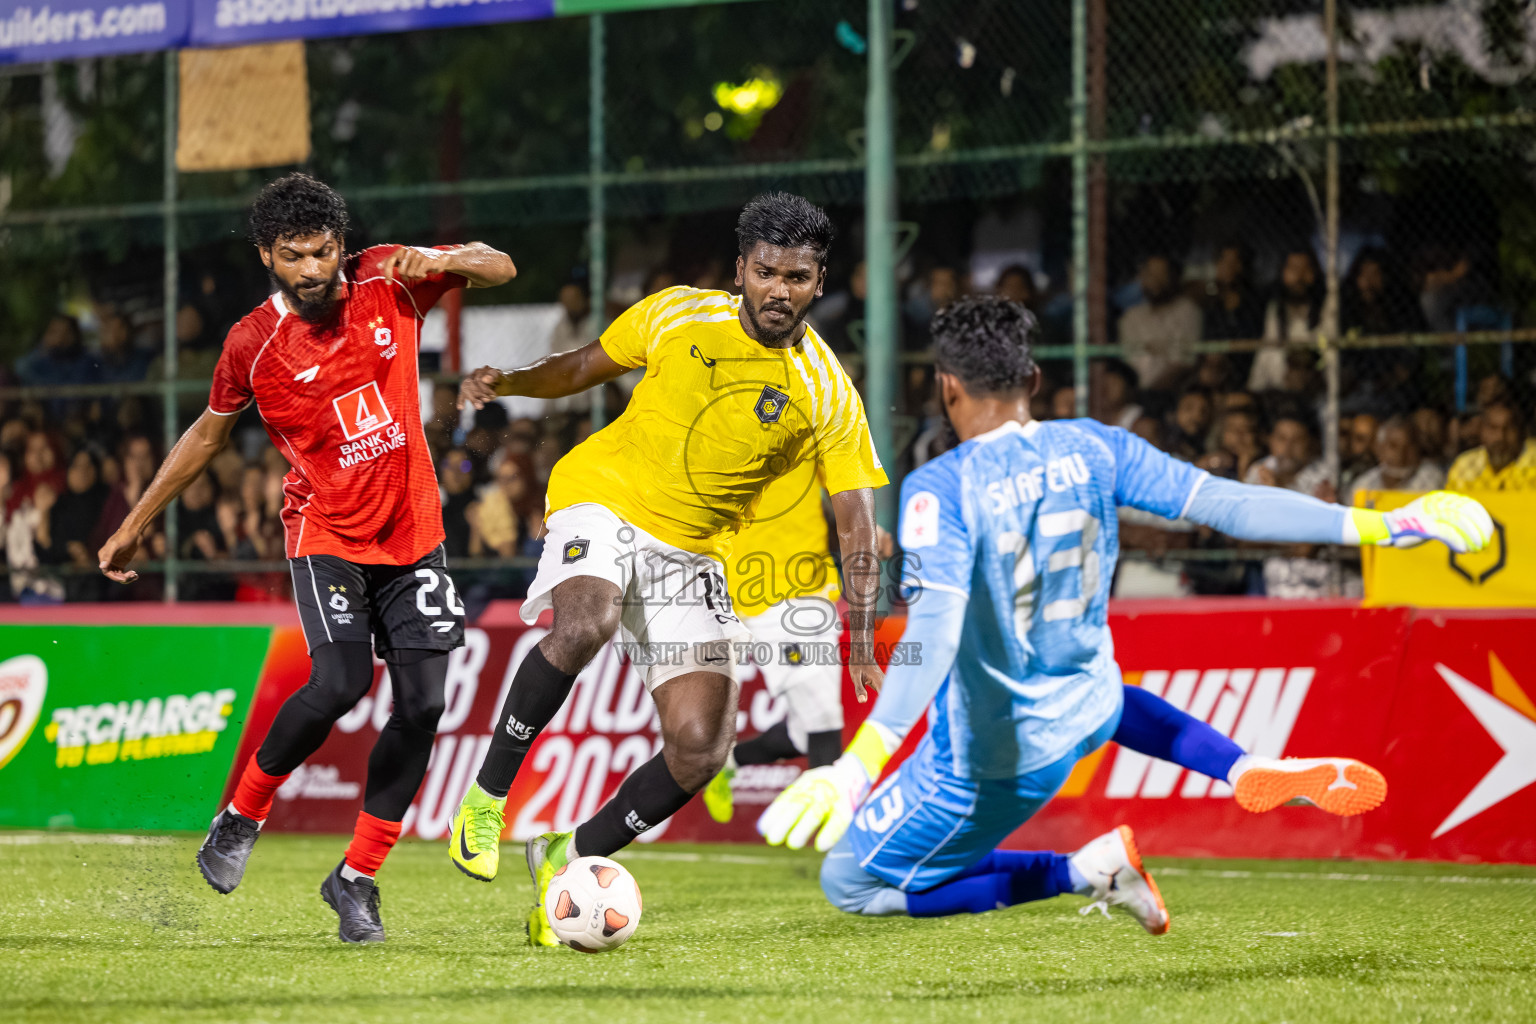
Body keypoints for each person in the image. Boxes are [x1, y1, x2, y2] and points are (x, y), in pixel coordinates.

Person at [757, 296, 1493, 926]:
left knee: (851, 883)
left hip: (993, 759)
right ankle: (1238, 768)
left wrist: (858, 765)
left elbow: (939, 634)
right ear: (1034, 380)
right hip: (1091, 705)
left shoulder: (939, 487)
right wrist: (1387, 524)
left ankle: (1085, 869)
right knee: (1108, 697)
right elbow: (1231, 505)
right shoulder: (1098, 446)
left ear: (947, 387)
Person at [449, 192, 888, 946]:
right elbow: (586, 364)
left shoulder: (826, 390)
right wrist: (512, 382)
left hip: (693, 552)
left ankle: (569, 855)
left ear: (821, 282)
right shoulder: (679, 313)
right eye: (767, 272)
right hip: (603, 499)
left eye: (799, 276)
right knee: (586, 622)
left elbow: (856, 520)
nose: (780, 290)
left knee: (700, 749)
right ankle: (485, 802)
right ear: (741, 269)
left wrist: (860, 628)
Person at [96, 172, 515, 942]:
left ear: (343, 246)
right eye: (295, 256)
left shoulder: (388, 278)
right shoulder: (252, 345)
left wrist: (431, 258)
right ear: (267, 256)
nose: (315, 269)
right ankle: (241, 815)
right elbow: (205, 437)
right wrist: (137, 520)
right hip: (326, 534)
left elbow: (500, 267)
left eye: (325, 252)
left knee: (424, 707)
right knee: (341, 680)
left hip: (415, 532)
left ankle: (355, 880)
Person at [700, 462, 845, 824]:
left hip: (817, 586)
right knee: (823, 716)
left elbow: (845, 486)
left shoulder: (819, 419)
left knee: (804, 731)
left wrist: (863, 529)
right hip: (764, 592)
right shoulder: (722, 423)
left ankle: (726, 762)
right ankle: (834, 836)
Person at [1116, 254, 1202, 391]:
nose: (1155, 280)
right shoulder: (1131, 316)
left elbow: (1184, 363)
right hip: (1134, 390)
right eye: (1150, 274)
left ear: (1172, 278)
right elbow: (1127, 362)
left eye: (1161, 274)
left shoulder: (1187, 310)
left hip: (1171, 391)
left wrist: (1151, 392)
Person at [1250, 248, 1322, 391]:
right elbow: (1267, 355)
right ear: (1283, 272)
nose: (1299, 276)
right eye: (1294, 269)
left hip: (1315, 383)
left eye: (1305, 269)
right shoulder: (1272, 307)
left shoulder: (1325, 308)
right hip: (1277, 386)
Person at [1347, 418, 1446, 504]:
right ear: (1379, 448)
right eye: (1394, 446)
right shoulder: (1363, 486)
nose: (1402, 455)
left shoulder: (1433, 482)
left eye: (1408, 448)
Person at [1447, 402, 1536, 491]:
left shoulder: (1533, 461)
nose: (1500, 437)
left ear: (1520, 432)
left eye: (1508, 428)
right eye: (1493, 428)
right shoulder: (1464, 465)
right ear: (1481, 431)